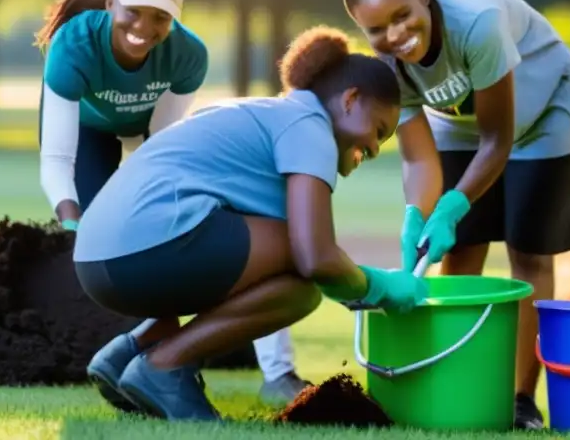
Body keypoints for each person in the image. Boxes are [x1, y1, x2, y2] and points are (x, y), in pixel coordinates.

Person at [72, 25, 426, 421]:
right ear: (350, 99)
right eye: (378, 130)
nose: (375, 149)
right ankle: (164, 365)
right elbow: (315, 256)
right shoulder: (309, 128)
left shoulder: (265, 112)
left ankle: (131, 352)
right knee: (303, 283)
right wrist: (383, 288)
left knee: (287, 266)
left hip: (97, 259)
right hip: (141, 252)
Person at [34, 0, 306, 409]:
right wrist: (71, 218)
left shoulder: (187, 54)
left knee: (166, 236)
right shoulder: (73, 46)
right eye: (133, 12)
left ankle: (153, 351)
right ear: (111, 2)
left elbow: (161, 147)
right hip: (88, 132)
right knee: (118, 241)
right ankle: (148, 351)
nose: (144, 27)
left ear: (174, 20)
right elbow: (58, 156)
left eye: (159, 18)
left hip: (154, 141)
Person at [342, 0, 570, 430]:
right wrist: (419, 213)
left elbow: (499, 140)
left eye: (403, 17)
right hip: (458, 119)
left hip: (546, 113)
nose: (394, 36)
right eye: (377, 29)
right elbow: (418, 157)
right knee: (461, 248)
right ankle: (454, 374)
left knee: (528, 252)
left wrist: (453, 205)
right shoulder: (387, 60)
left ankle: (521, 400)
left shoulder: (477, 21)